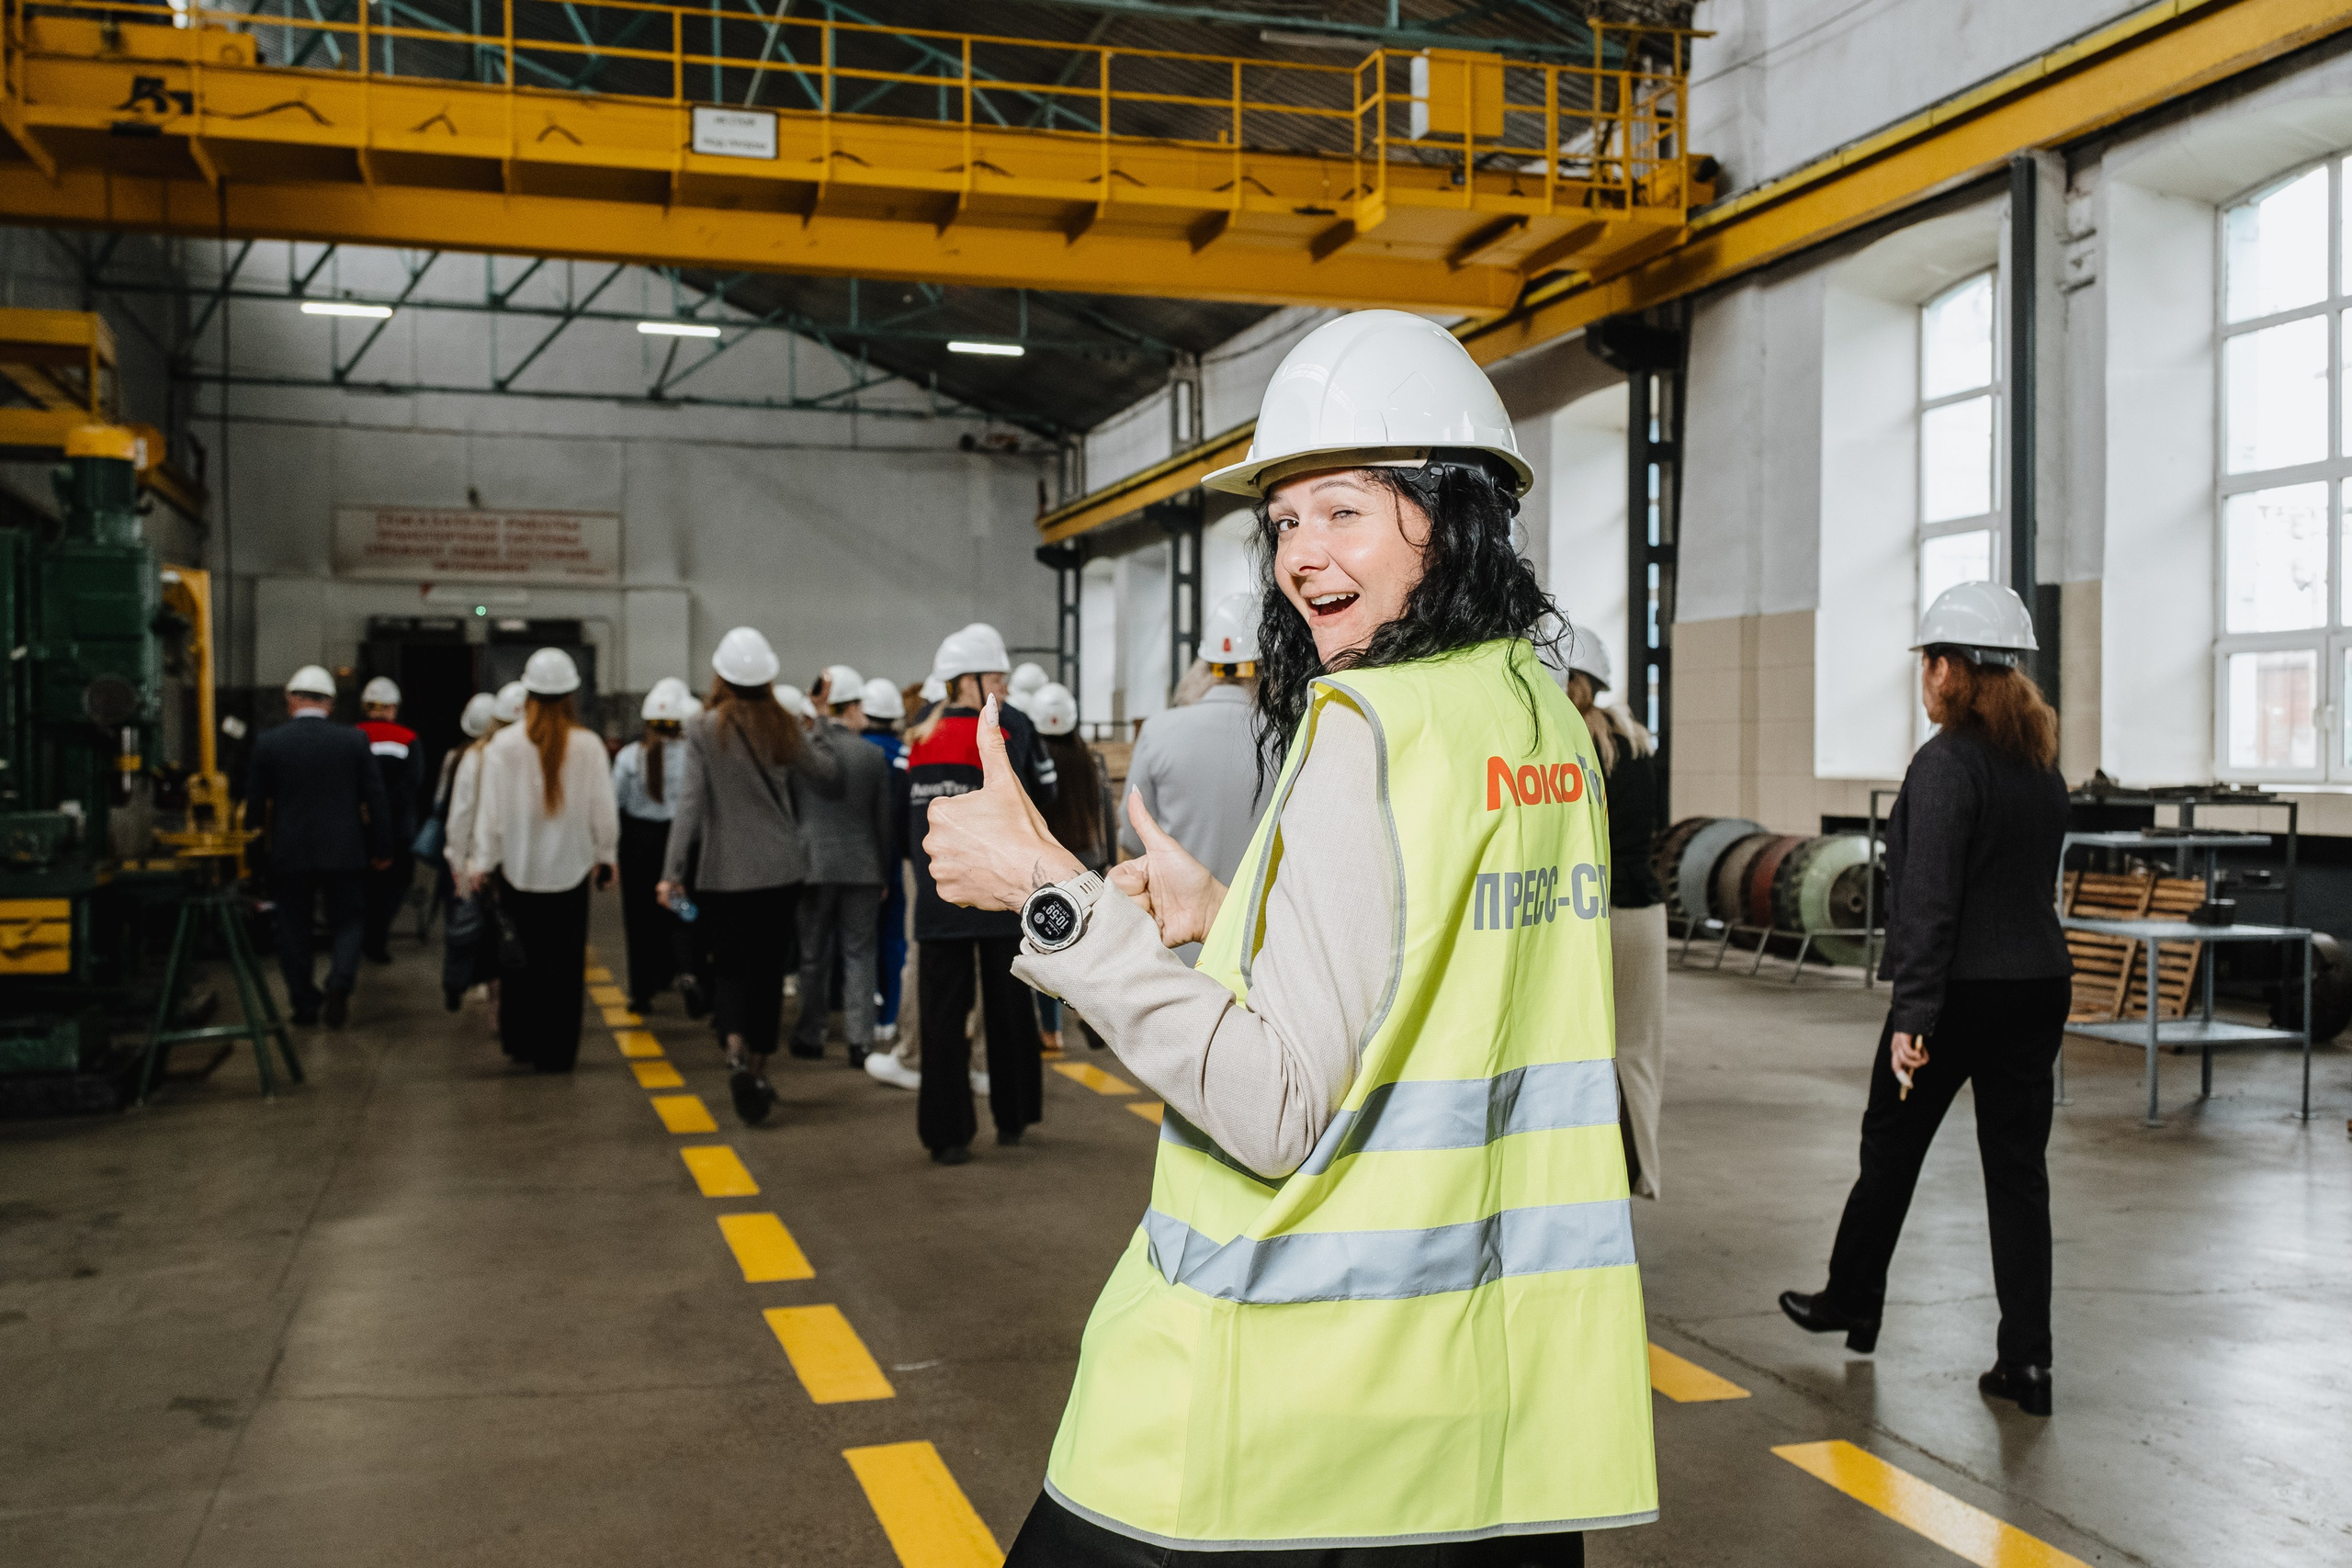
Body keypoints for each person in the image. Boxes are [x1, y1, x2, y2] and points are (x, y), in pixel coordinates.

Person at [926, 308, 1656, 1561]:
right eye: (1284, 520)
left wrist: (1052, 893)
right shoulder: (1534, 713)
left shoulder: (1366, 723)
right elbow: (1448, 984)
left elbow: (1275, 1105)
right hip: (1494, 1398)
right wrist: (1226, 921)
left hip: (1300, 1390)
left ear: (1454, 510)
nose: (1301, 556)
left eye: (1346, 511)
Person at [1779, 581, 2071, 1418]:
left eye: (1927, 662)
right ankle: (2029, 1363)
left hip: (1960, 995)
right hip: (2037, 986)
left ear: (1949, 669)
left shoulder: (1945, 763)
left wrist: (1912, 1018)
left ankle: (1851, 1299)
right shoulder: (2039, 759)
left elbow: (1931, 899)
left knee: (1892, 1145)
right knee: (2019, 1175)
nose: (1923, 678)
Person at [659, 627, 843, 1125]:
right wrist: (820, 720)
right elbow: (827, 776)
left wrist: (671, 872)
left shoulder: (702, 728)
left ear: (720, 674)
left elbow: (690, 807)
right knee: (766, 971)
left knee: (731, 968)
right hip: (781, 872)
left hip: (722, 874)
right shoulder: (783, 725)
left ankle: (736, 1053)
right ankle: (760, 1070)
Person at [904, 622, 1057, 1164]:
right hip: (1004, 893)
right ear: (966, 680)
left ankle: (946, 1135)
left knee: (943, 1016)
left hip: (938, 894)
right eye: (995, 675)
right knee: (1011, 1008)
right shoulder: (1012, 727)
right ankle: (1014, 1116)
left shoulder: (916, 733)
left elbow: (900, 816)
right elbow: (1045, 799)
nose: (1004, 687)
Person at [467, 649, 619, 1074]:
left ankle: (521, 1042)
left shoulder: (503, 745)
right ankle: (557, 1052)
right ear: (572, 694)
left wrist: (483, 862)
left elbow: (490, 814)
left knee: (519, 961)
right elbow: (602, 809)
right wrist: (606, 855)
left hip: (517, 872)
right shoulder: (588, 745)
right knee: (564, 967)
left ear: (529, 693)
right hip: (570, 875)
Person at [1555, 629, 1668, 1200]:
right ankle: (1641, 1169)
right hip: (1644, 914)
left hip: (1588, 911)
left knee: (1578, 1045)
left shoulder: (1562, 743)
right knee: (1639, 1049)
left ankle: (1587, 1171)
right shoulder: (1637, 742)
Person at [1119, 591, 1269, 964]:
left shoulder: (1158, 731)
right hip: (1261, 942)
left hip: (1178, 940)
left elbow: (1131, 837)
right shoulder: (1288, 736)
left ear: (1203, 666)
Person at [246, 664, 395, 1029]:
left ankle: (304, 1004)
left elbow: (253, 807)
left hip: (290, 852)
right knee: (348, 920)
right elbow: (376, 799)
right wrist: (383, 847)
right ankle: (340, 981)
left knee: (292, 926)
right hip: (344, 850)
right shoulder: (353, 741)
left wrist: (252, 858)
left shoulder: (269, 743)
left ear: (290, 699)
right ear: (330, 702)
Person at [790, 662, 893, 1066]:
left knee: (813, 954)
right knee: (859, 953)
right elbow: (882, 821)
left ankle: (810, 1036)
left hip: (812, 866)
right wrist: (882, 870)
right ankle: (860, 1041)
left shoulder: (803, 750)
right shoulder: (871, 755)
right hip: (863, 867)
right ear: (850, 708)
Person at [1027, 681, 1112, 1053]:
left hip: (1048, 867)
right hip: (1089, 863)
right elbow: (1106, 815)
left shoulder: (1037, 763)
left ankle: (1051, 1031)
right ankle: (1091, 1016)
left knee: (1046, 948)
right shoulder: (1091, 760)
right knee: (1087, 950)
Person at [614, 678, 697, 1014]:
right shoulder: (694, 755)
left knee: (640, 918)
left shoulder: (628, 757)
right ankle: (691, 976)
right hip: (680, 841)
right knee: (682, 913)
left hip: (638, 843)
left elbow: (614, 801)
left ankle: (642, 993)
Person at [447, 681, 525, 1032]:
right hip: (523, 861)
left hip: (484, 862)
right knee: (521, 934)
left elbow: (460, 816)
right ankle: (520, 1007)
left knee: (495, 936)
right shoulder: (533, 752)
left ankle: (498, 1009)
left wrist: (459, 863)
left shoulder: (475, 756)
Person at [428, 692, 498, 1010]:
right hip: (489, 854)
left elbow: (442, 804)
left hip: (459, 852)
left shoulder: (454, 757)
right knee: (492, 922)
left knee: (459, 919)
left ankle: (456, 981)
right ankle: (488, 983)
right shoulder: (499, 757)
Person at [857, 676, 913, 1053]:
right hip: (897, 857)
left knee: (858, 944)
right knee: (895, 940)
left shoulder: (854, 751)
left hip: (860, 858)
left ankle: (863, 1016)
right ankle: (890, 1016)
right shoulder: (905, 755)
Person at [355, 675, 425, 964]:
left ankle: (357, 938)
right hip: (398, 830)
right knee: (395, 885)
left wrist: (364, 808)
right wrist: (385, 809)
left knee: (363, 886)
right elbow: (412, 784)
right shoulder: (409, 739)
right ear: (394, 707)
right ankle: (377, 939)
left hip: (359, 827)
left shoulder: (353, 735)